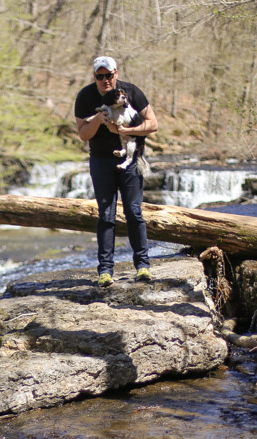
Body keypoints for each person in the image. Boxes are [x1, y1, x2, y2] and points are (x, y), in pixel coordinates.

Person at [74, 56, 159, 287]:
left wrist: (128, 129)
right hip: (101, 161)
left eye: (108, 75)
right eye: (99, 76)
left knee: (134, 212)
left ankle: (142, 266)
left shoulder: (131, 92)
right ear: (94, 77)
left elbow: (153, 124)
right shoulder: (85, 96)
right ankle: (105, 271)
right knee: (106, 214)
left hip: (130, 160)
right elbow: (83, 134)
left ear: (116, 74)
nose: (104, 80)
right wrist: (99, 120)